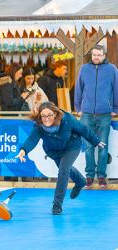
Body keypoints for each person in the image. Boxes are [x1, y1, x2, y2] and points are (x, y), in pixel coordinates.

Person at [15, 102, 105, 215]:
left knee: (63, 171)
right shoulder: (39, 125)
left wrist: (95, 141)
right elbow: (32, 139)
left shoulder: (67, 119)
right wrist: (23, 150)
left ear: (55, 114)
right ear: (40, 116)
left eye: (49, 115)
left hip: (71, 147)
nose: (47, 118)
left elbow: (83, 129)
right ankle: (80, 181)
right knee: (66, 169)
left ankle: (57, 205)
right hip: (53, 150)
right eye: (43, 116)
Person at [74, 44, 118, 188]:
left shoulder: (112, 69)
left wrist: (115, 108)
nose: (96, 57)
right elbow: (79, 88)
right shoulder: (84, 69)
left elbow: (116, 88)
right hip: (86, 114)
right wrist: (78, 108)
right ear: (91, 55)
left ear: (104, 55)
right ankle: (89, 176)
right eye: (94, 55)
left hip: (105, 113)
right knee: (88, 146)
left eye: (99, 55)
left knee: (103, 146)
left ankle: (101, 177)